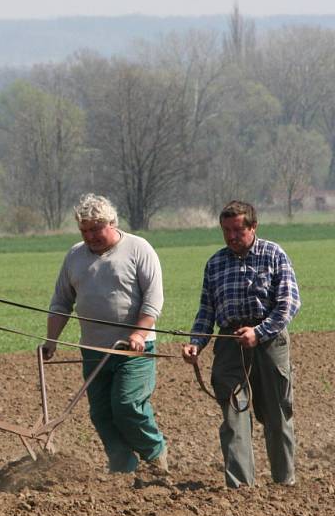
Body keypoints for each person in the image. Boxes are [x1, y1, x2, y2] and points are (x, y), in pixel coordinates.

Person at [41, 194, 168, 474]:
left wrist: (138, 333)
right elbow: (62, 301)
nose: (89, 236)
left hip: (134, 349)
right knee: (101, 413)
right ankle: (123, 467)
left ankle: (155, 454)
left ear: (112, 223)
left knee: (126, 405)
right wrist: (51, 341)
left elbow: (153, 300)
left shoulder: (138, 249)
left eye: (95, 229)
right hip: (94, 349)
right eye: (84, 230)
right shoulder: (75, 255)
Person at [182, 200, 300, 488]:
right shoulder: (215, 263)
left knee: (276, 416)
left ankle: (285, 483)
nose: (231, 236)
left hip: (269, 344)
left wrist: (259, 333)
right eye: (226, 230)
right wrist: (196, 343)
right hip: (229, 344)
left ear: (253, 227)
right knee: (234, 416)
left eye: (237, 230)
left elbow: (288, 304)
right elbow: (206, 311)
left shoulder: (273, 255)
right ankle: (240, 488)